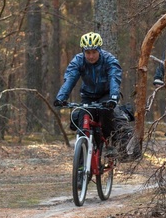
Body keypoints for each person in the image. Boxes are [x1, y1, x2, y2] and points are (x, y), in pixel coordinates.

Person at [54, 32, 137, 160]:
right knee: (82, 120)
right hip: (88, 96)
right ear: (83, 51)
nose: (91, 56)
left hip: (107, 95)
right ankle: (81, 159)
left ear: (99, 50)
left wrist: (114, 97)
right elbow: (70, 79)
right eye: (88, 53)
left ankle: (111, 144)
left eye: (94, 52)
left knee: (106, 114)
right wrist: (61, 97)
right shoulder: (78, 61)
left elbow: (114, 79)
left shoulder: (109, 60)